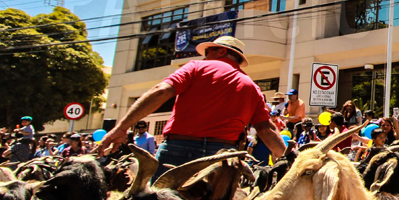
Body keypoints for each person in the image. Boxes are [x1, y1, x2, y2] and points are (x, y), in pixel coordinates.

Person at [95, 36, 287, 176]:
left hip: (178, 148)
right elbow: (266, 129)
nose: (204, 57)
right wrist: (289, 159)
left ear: (222, 52)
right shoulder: (252, 87)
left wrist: (121, 128)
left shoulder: (195, 67)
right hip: (223, 157)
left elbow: (161, 91)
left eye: (208, 52)